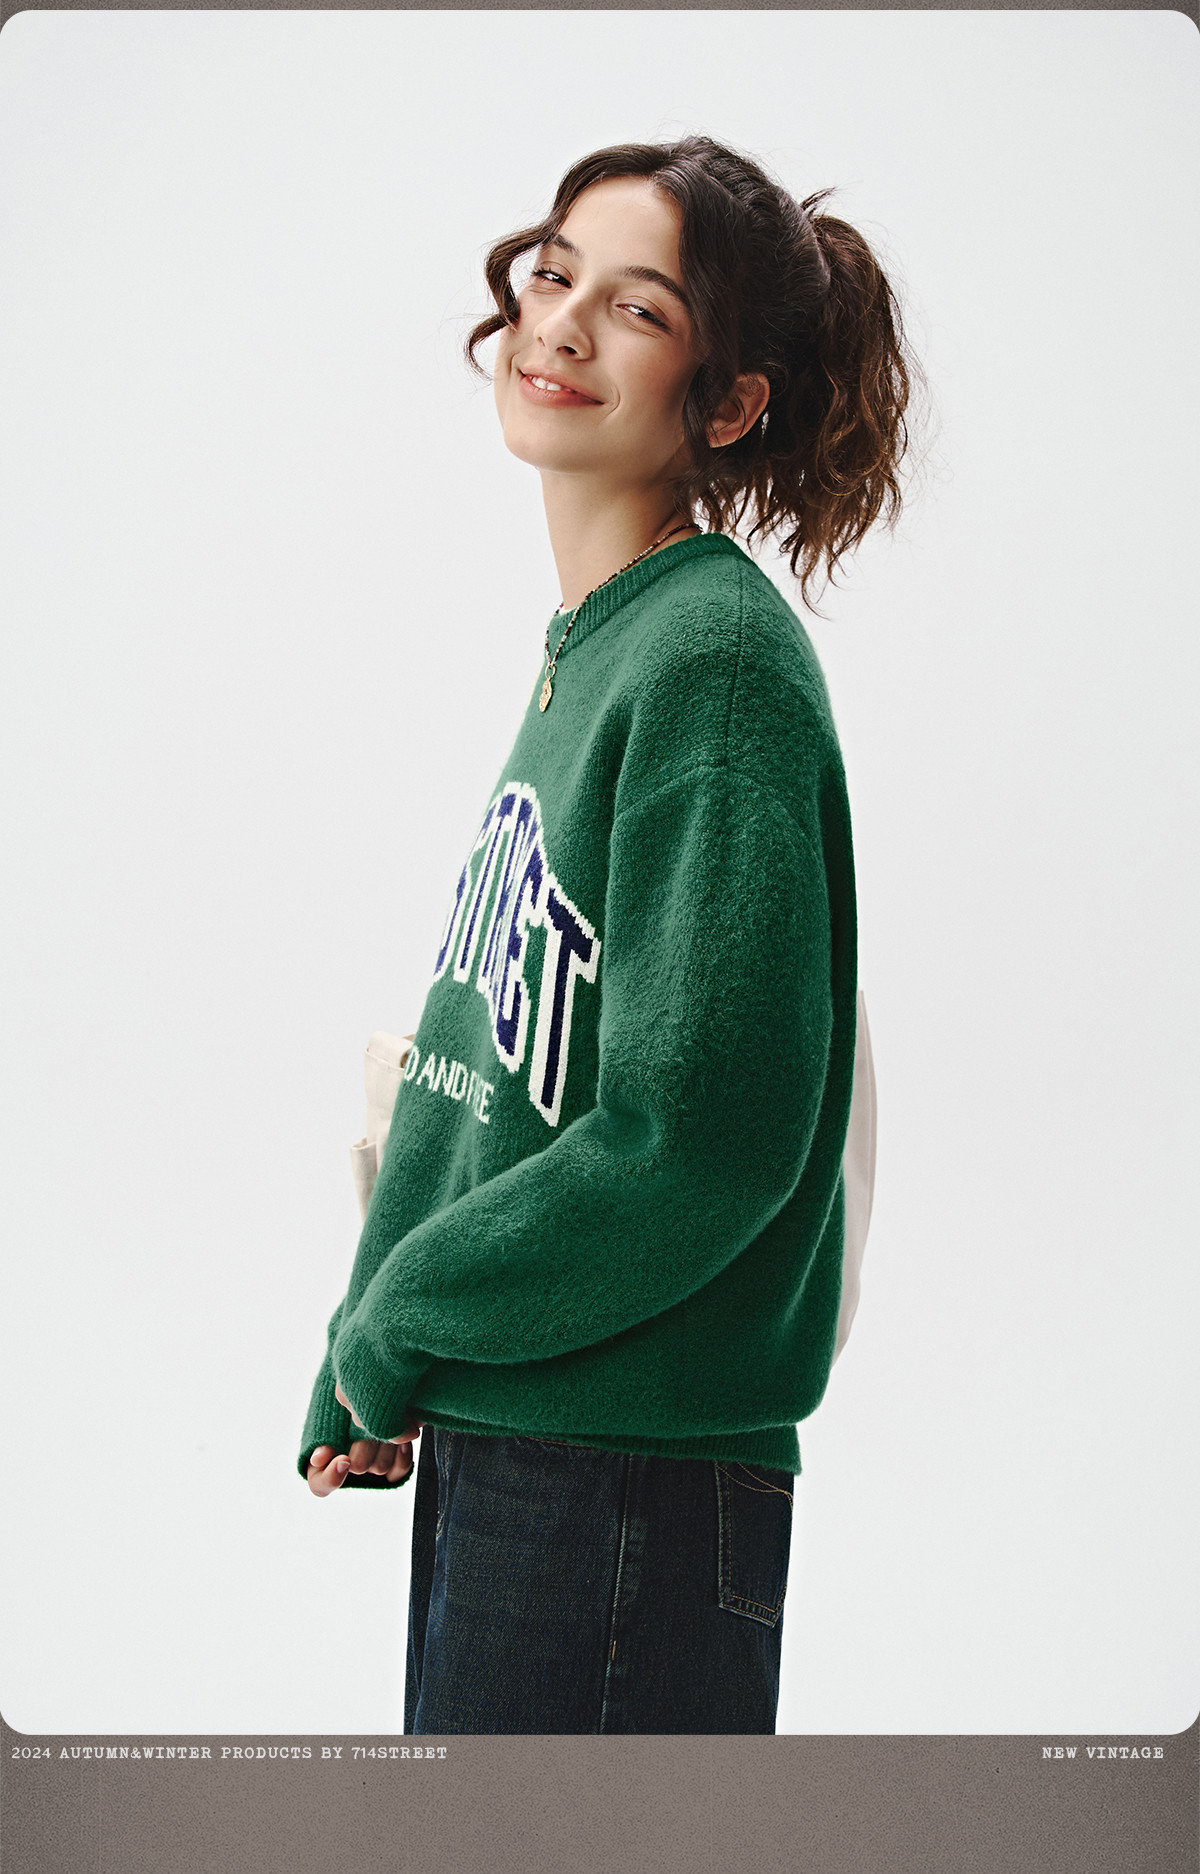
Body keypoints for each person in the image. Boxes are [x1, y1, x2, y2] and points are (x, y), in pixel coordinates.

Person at [297, 134, 916, 1735]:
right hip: (533, 1451)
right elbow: (480, 1068)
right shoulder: (600, 644)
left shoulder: (713, 661)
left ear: (730, 401)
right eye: (555, 273)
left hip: (621, 1489)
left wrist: (403, 1317)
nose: (561, 322)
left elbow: (696, 1141)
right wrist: (366, 1346)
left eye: (638, 307)